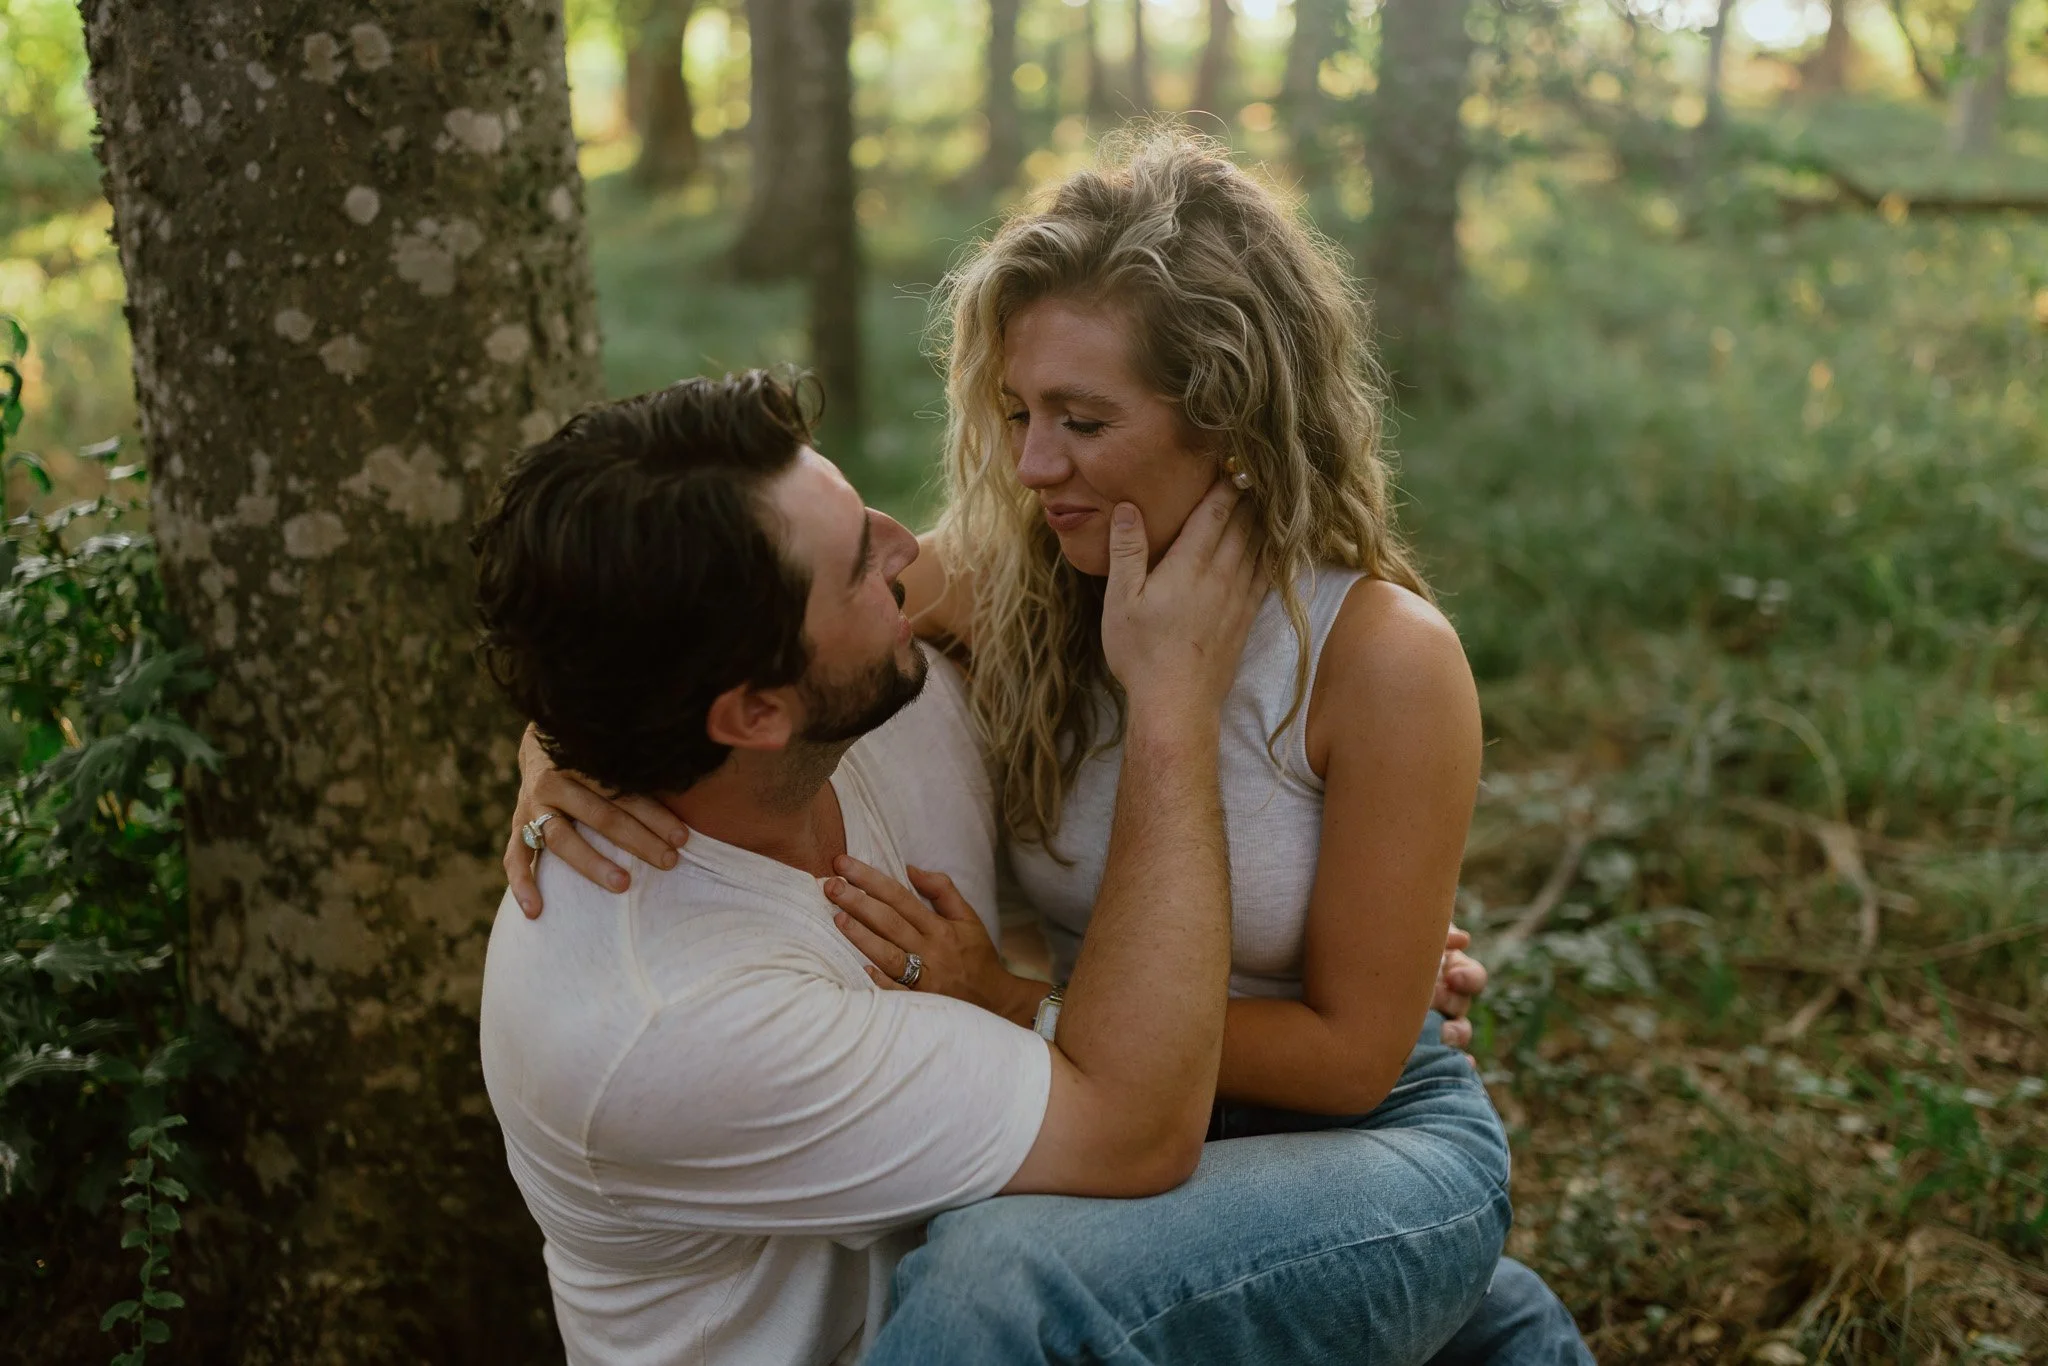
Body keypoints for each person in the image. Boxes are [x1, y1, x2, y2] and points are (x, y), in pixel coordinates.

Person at [513, 130, 1593, 1364]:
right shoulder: (1014, 583)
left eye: (1081, 419)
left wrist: (1014, 1002)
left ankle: (1466, 1312)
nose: (1030, 465)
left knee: (992, 1268)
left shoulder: (1380, 659)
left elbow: (1353, 1060)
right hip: (1120, 1121)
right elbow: (696, 646)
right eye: (1019, 411)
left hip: (1366, 1149)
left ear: (1227, 416)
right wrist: (559, 749)